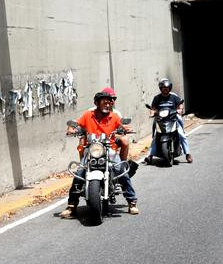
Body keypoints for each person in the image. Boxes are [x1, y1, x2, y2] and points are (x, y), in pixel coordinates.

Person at [60, 89, 138, 218]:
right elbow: (77, 125)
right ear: (97, 103)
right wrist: (71, 129)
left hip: (109, 149)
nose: (107, 105)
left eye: (109, 103)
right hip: (92, 150)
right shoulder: (88, 115)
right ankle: (72, 206)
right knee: (79, 174)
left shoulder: (114, 117)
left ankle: (132, 202)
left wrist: (126, 129)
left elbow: (122, 127)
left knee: (121, 170)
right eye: (104, 103)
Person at [145, 78, 192, 164]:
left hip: (173, 118)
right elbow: (153, 108)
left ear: (169, 89)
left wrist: (180, 109)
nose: (165, 90)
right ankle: (150, 156)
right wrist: (152, 113)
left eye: (167, 89)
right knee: (155, 137)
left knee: (182, 135)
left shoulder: (174, 97)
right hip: (161, 119)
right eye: (163, 89)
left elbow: (180, 104)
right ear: (161, 89)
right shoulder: (157, 98)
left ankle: (187, 154)